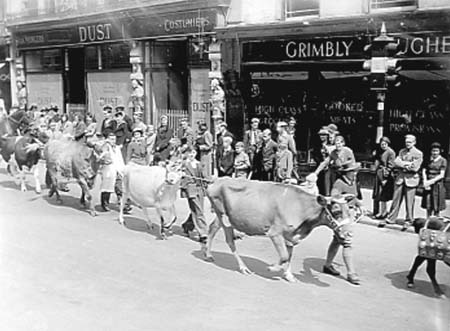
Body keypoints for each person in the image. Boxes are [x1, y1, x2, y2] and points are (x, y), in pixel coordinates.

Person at [322, 162, 362, 285]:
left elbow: (353, 197)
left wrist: (359, 205)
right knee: (347, 242)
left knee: (337, 240)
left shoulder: (353, 182)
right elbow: (334, 198)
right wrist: (341, 213)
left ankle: (327, 265)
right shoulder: (339, 184)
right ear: (346, 173)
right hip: (340, 214)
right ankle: (351, 273)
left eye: (355, 171)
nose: (355, 173)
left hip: (349, 213)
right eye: (352, 171)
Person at [379, 134, 423, 231]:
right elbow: (396, 162)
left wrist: (403, 165)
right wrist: (407, 164)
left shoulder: (418, 153)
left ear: (414, 142)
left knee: (409, 202)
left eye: (410, 142)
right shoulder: (401, 151)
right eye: (406, 142)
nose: (407, 144)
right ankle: (391, 218)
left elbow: (415, 167)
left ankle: (408, 220)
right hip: (400, 179)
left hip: (411, 180)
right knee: (396, 200)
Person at [180, 147, 209, 245]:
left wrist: (208, 180)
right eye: (189, 153)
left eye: (193, 152)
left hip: (199, 189)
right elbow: (175, 171)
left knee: (196, 210)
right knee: (199, 210)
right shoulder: (184, 164)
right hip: (190, 189)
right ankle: (203, 233)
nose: (191, 155)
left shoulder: (199, 164)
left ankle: (187, 226)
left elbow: (204, 176)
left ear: (196, 153)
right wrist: (181, 174)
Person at [372, 137, 396, 219]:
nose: (383, 146)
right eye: (382, 144)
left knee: (383, 194)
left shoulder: (390, 152)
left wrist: (385, 177)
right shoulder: (379, 151)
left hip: (385, 175)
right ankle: (379, 211)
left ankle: (384, 212)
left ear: (388, 144)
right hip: (378, 173)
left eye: (385, 144)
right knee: (377, 193)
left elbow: (391, 165)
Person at [421, 142, 447, 217]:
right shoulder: (427, 159)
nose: (434, 153)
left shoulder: (443, 160)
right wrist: (425, 181)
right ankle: (427, 220)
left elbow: (441, 175)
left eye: (436, 151)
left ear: (439, 151)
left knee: (436, 205)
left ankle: (435, 221)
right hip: (428, 184)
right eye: (433, 151)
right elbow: (424, 170)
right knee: (428, 204)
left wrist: (430, 182)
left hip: (437, 184)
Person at [313, 126, 336, 196]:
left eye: (324, 135)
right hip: (320, 166)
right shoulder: (317, 145)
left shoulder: (332, 145)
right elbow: (315, 155)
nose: (322, 136)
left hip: (330, 167)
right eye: (320, 135)